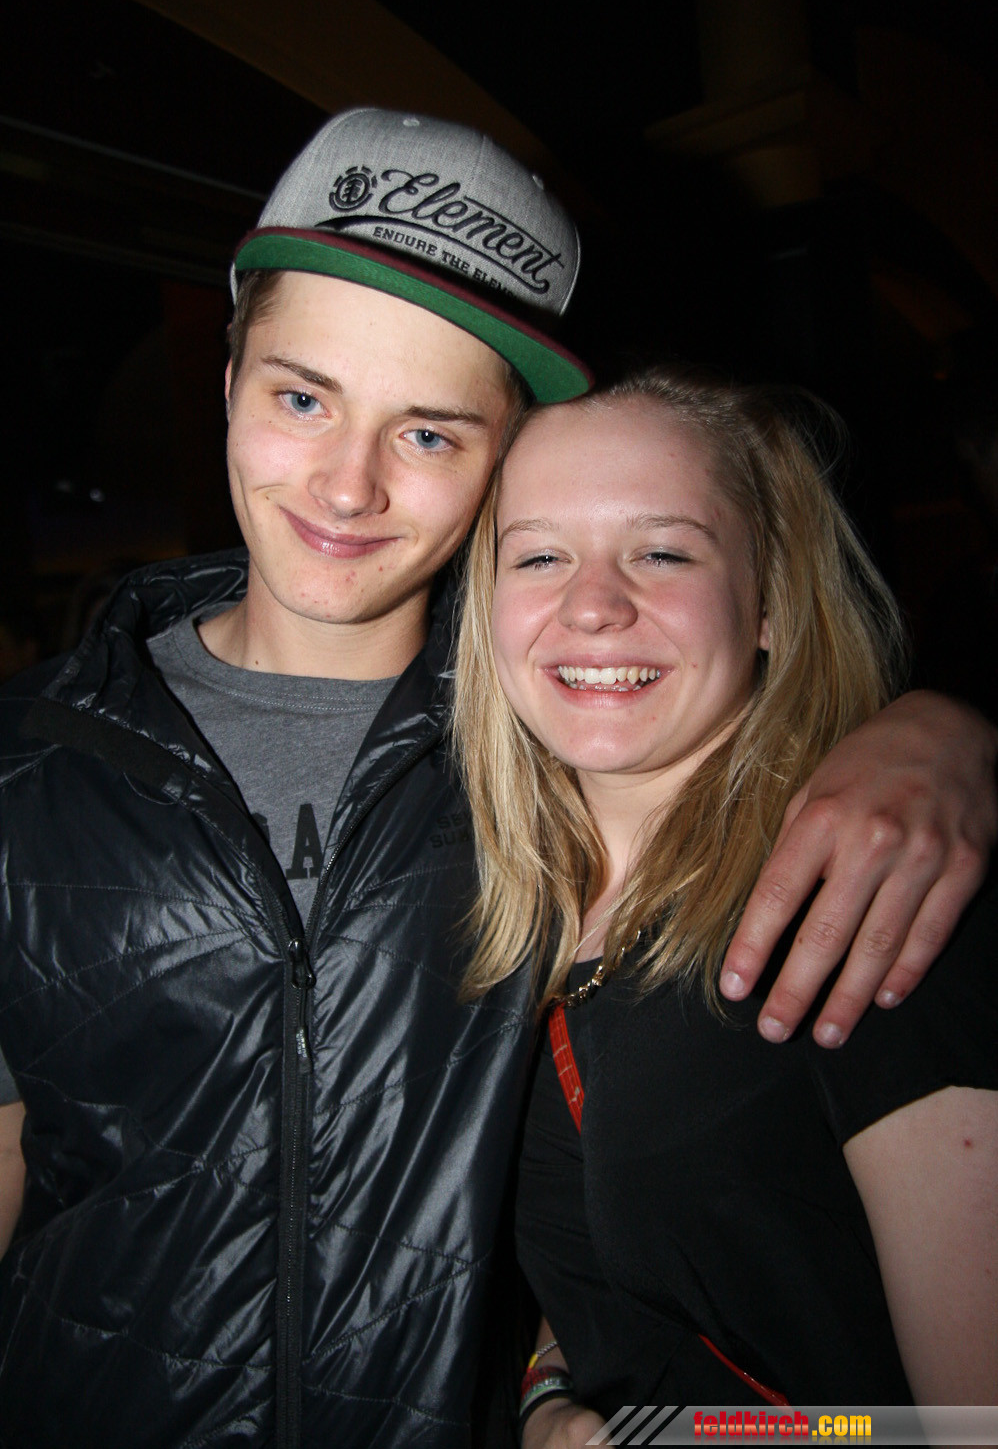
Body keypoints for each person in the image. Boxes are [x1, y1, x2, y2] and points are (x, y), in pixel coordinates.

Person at [0, 110, 994, 1449]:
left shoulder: (559, 756)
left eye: (427, 433)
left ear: (501, 458)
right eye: (302, 397)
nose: (346, 487)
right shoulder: (31, 761)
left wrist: (942, 732)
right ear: (228, 378)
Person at [452, 366, 998, 1440]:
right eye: (539, 556)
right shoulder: (509, 920)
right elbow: (626, 1272)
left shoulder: (873, 904)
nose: (593, 604)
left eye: (661, 553)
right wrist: (550, 1395)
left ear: (768, 603)